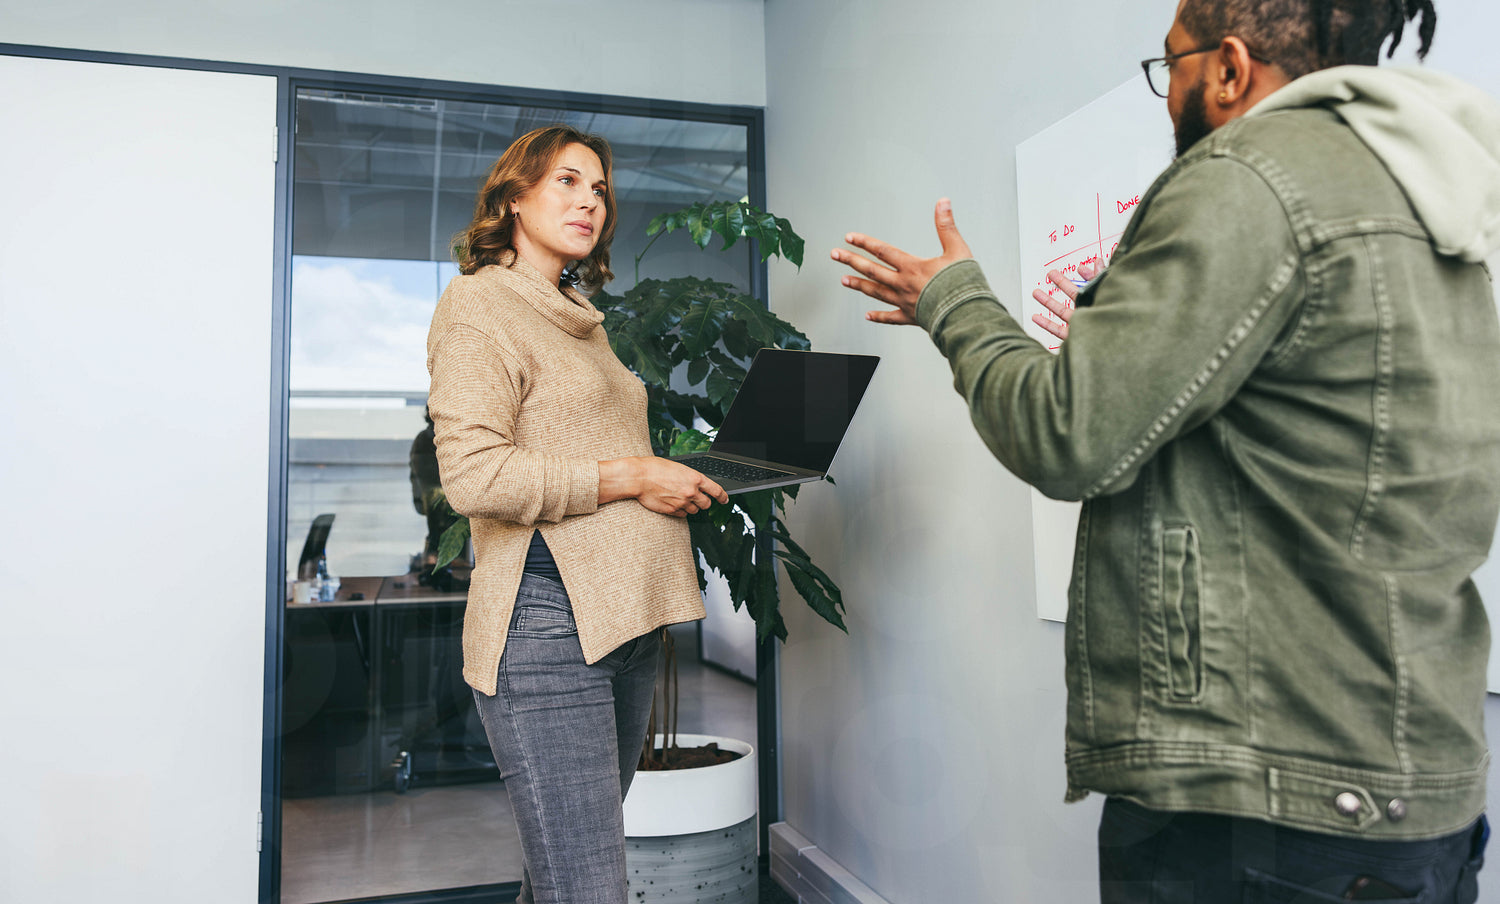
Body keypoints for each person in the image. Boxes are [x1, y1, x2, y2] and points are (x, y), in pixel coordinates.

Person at [832, 0, 1500, 900]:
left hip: (1264, 810)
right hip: (1414, 805)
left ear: (1229, 69)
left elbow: (1064, 432)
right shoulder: (1425, 198)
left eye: (1171, 63)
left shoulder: (1248, 176)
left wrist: (954, 300)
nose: (1169, 89)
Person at [426, 124, 727, 904]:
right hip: (546, 623)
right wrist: (634, 476)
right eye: (566, 181)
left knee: (561, 880)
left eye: (599, 189)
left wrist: (674, 476)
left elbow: (589, 448)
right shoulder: (479, 305)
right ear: (513, 197)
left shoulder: (579, 317)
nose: (589, 200)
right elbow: (474, 476)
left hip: (624, 619)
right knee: (586, 886)